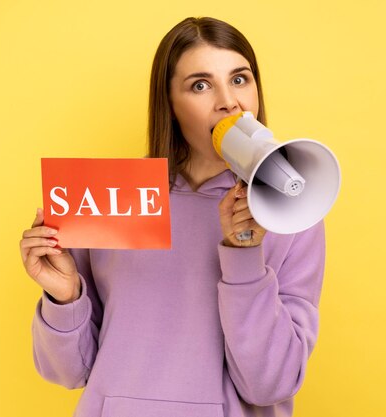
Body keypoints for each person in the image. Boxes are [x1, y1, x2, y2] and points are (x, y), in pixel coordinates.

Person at [20, 16, 326, 417]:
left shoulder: (293, 209)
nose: (228, 102)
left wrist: (244, 252)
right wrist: (65, 296)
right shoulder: (112, 195)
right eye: (200, 85)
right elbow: (68, 372)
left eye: (239, 79)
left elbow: (269, 383)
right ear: (169, 104)